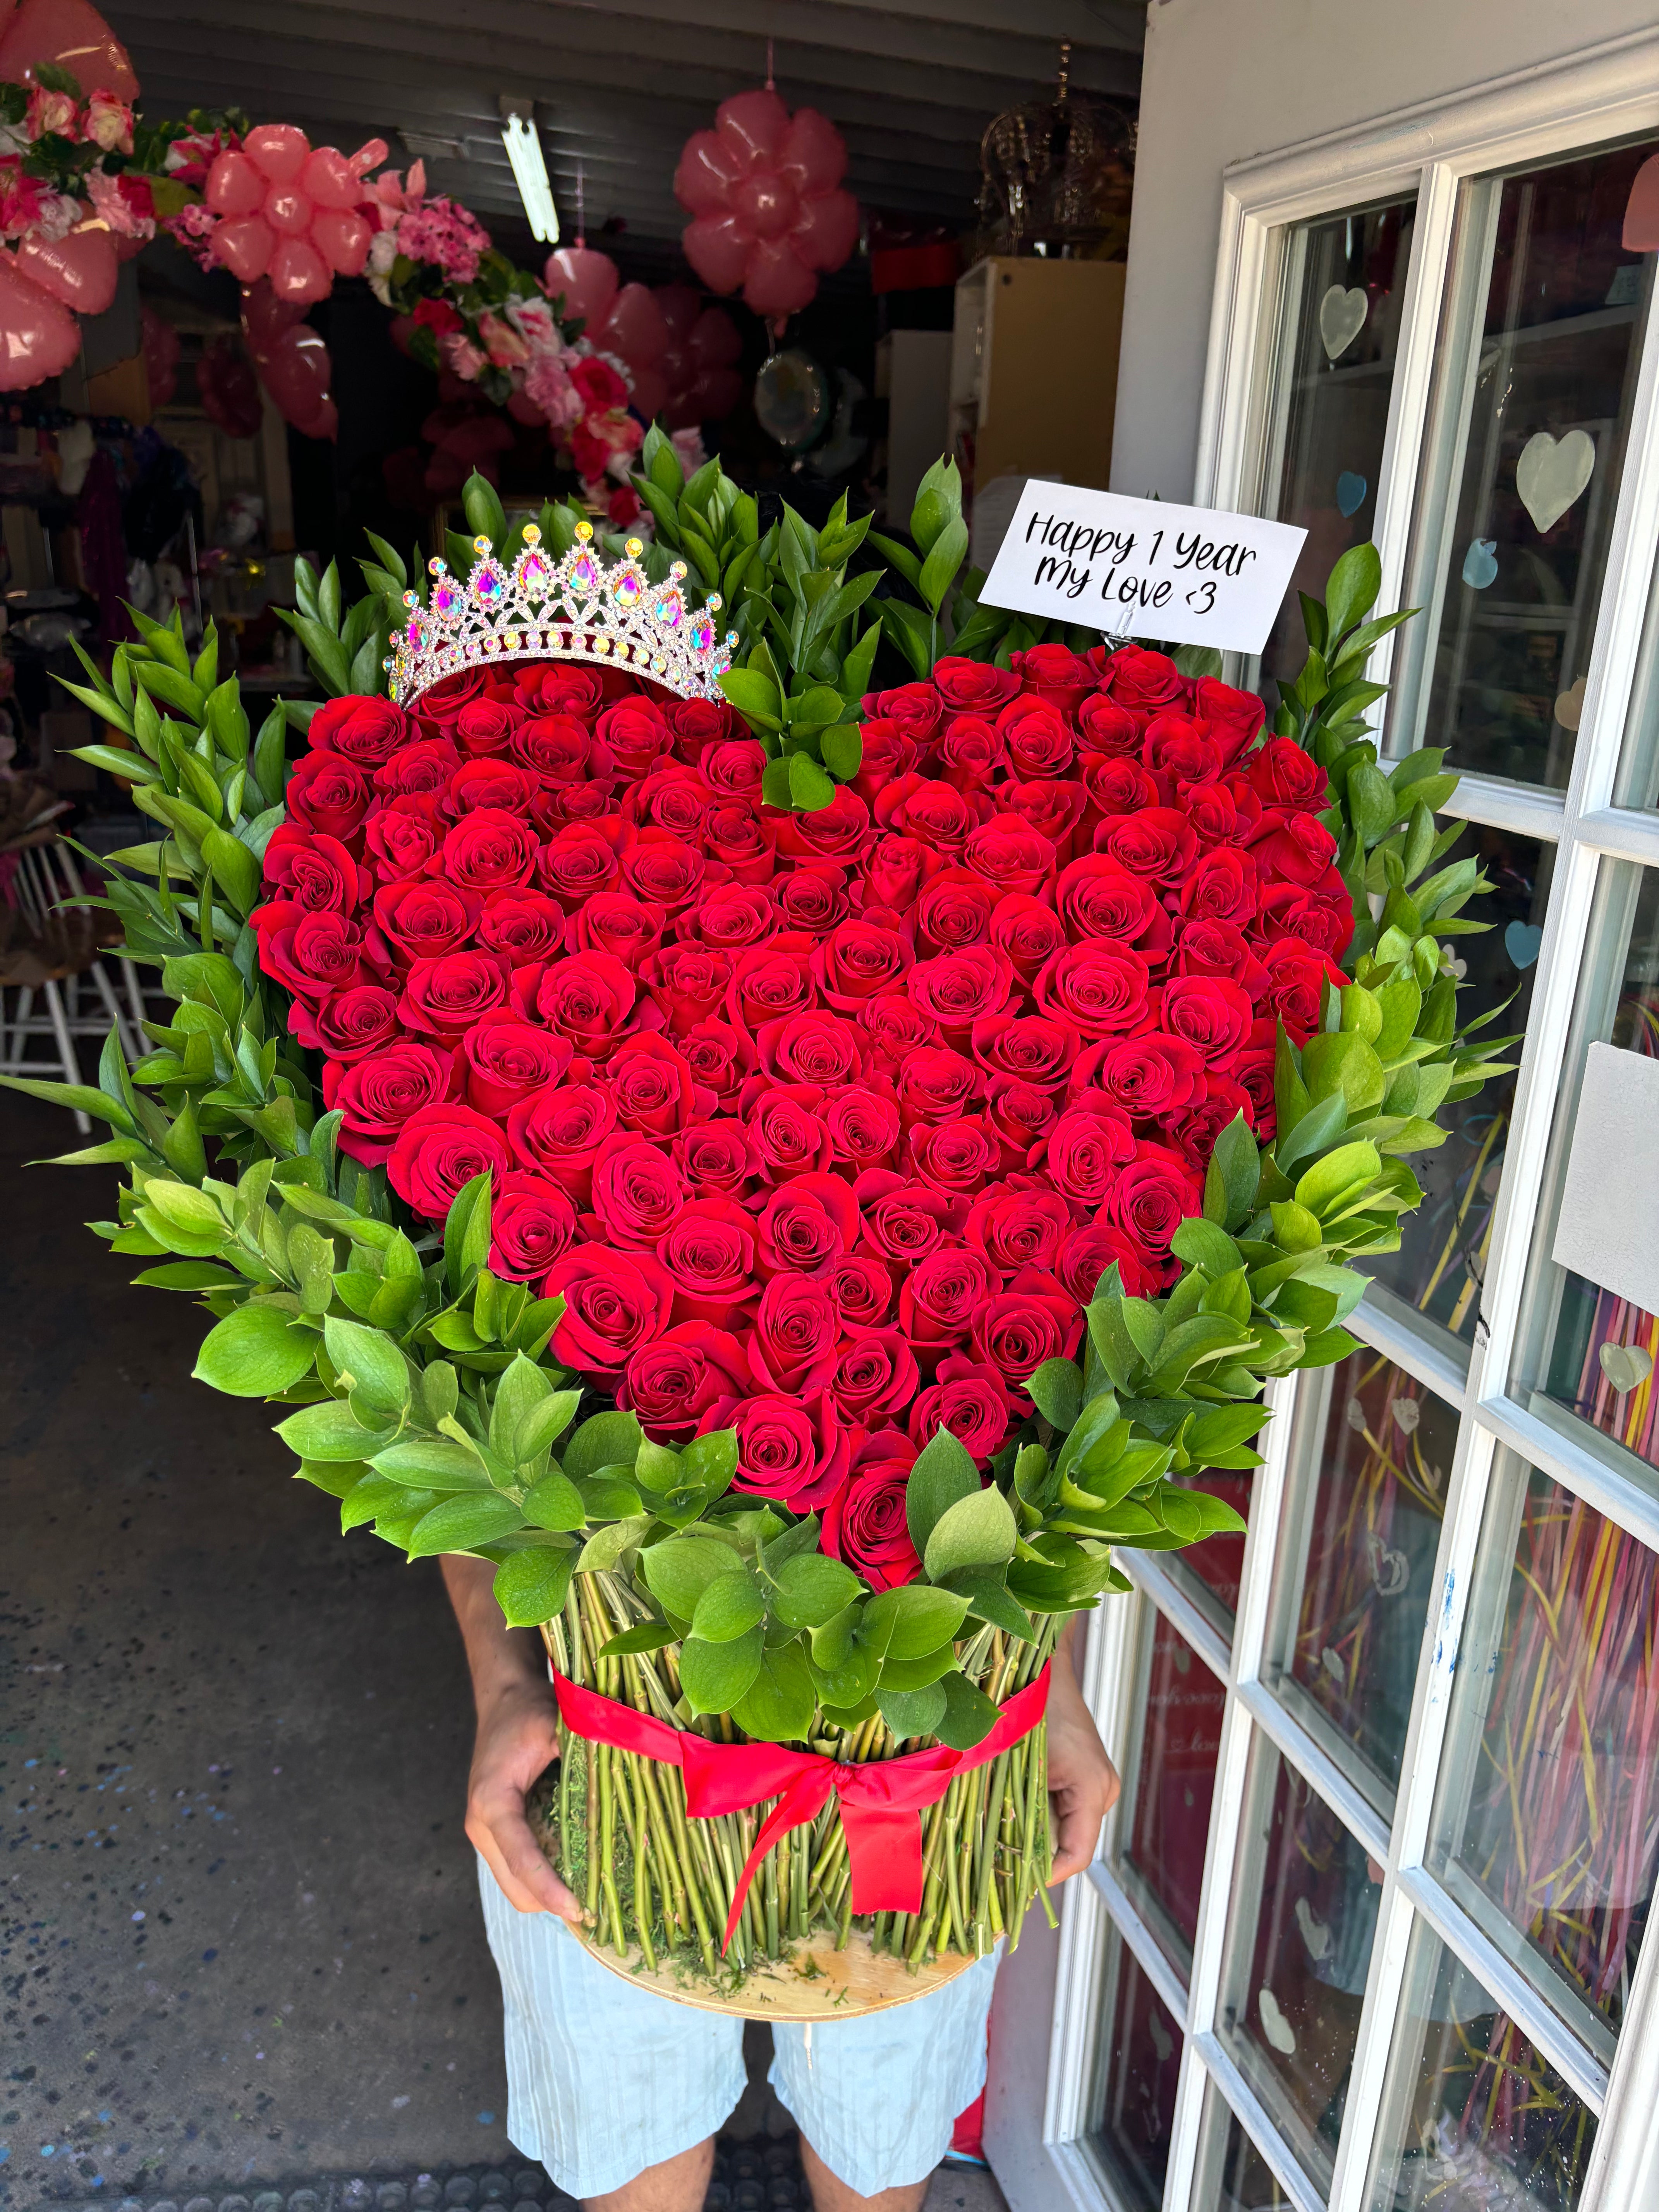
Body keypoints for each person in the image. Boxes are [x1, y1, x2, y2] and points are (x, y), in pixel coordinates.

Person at [443, 1555, 1120, 2212]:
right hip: (617, 1738)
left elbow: (1031, 1511)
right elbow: (477, 1488)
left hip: (924, 1765)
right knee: (626, 2093)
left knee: (886, 2093)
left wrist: (1051, 1682)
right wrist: (505, 1688)